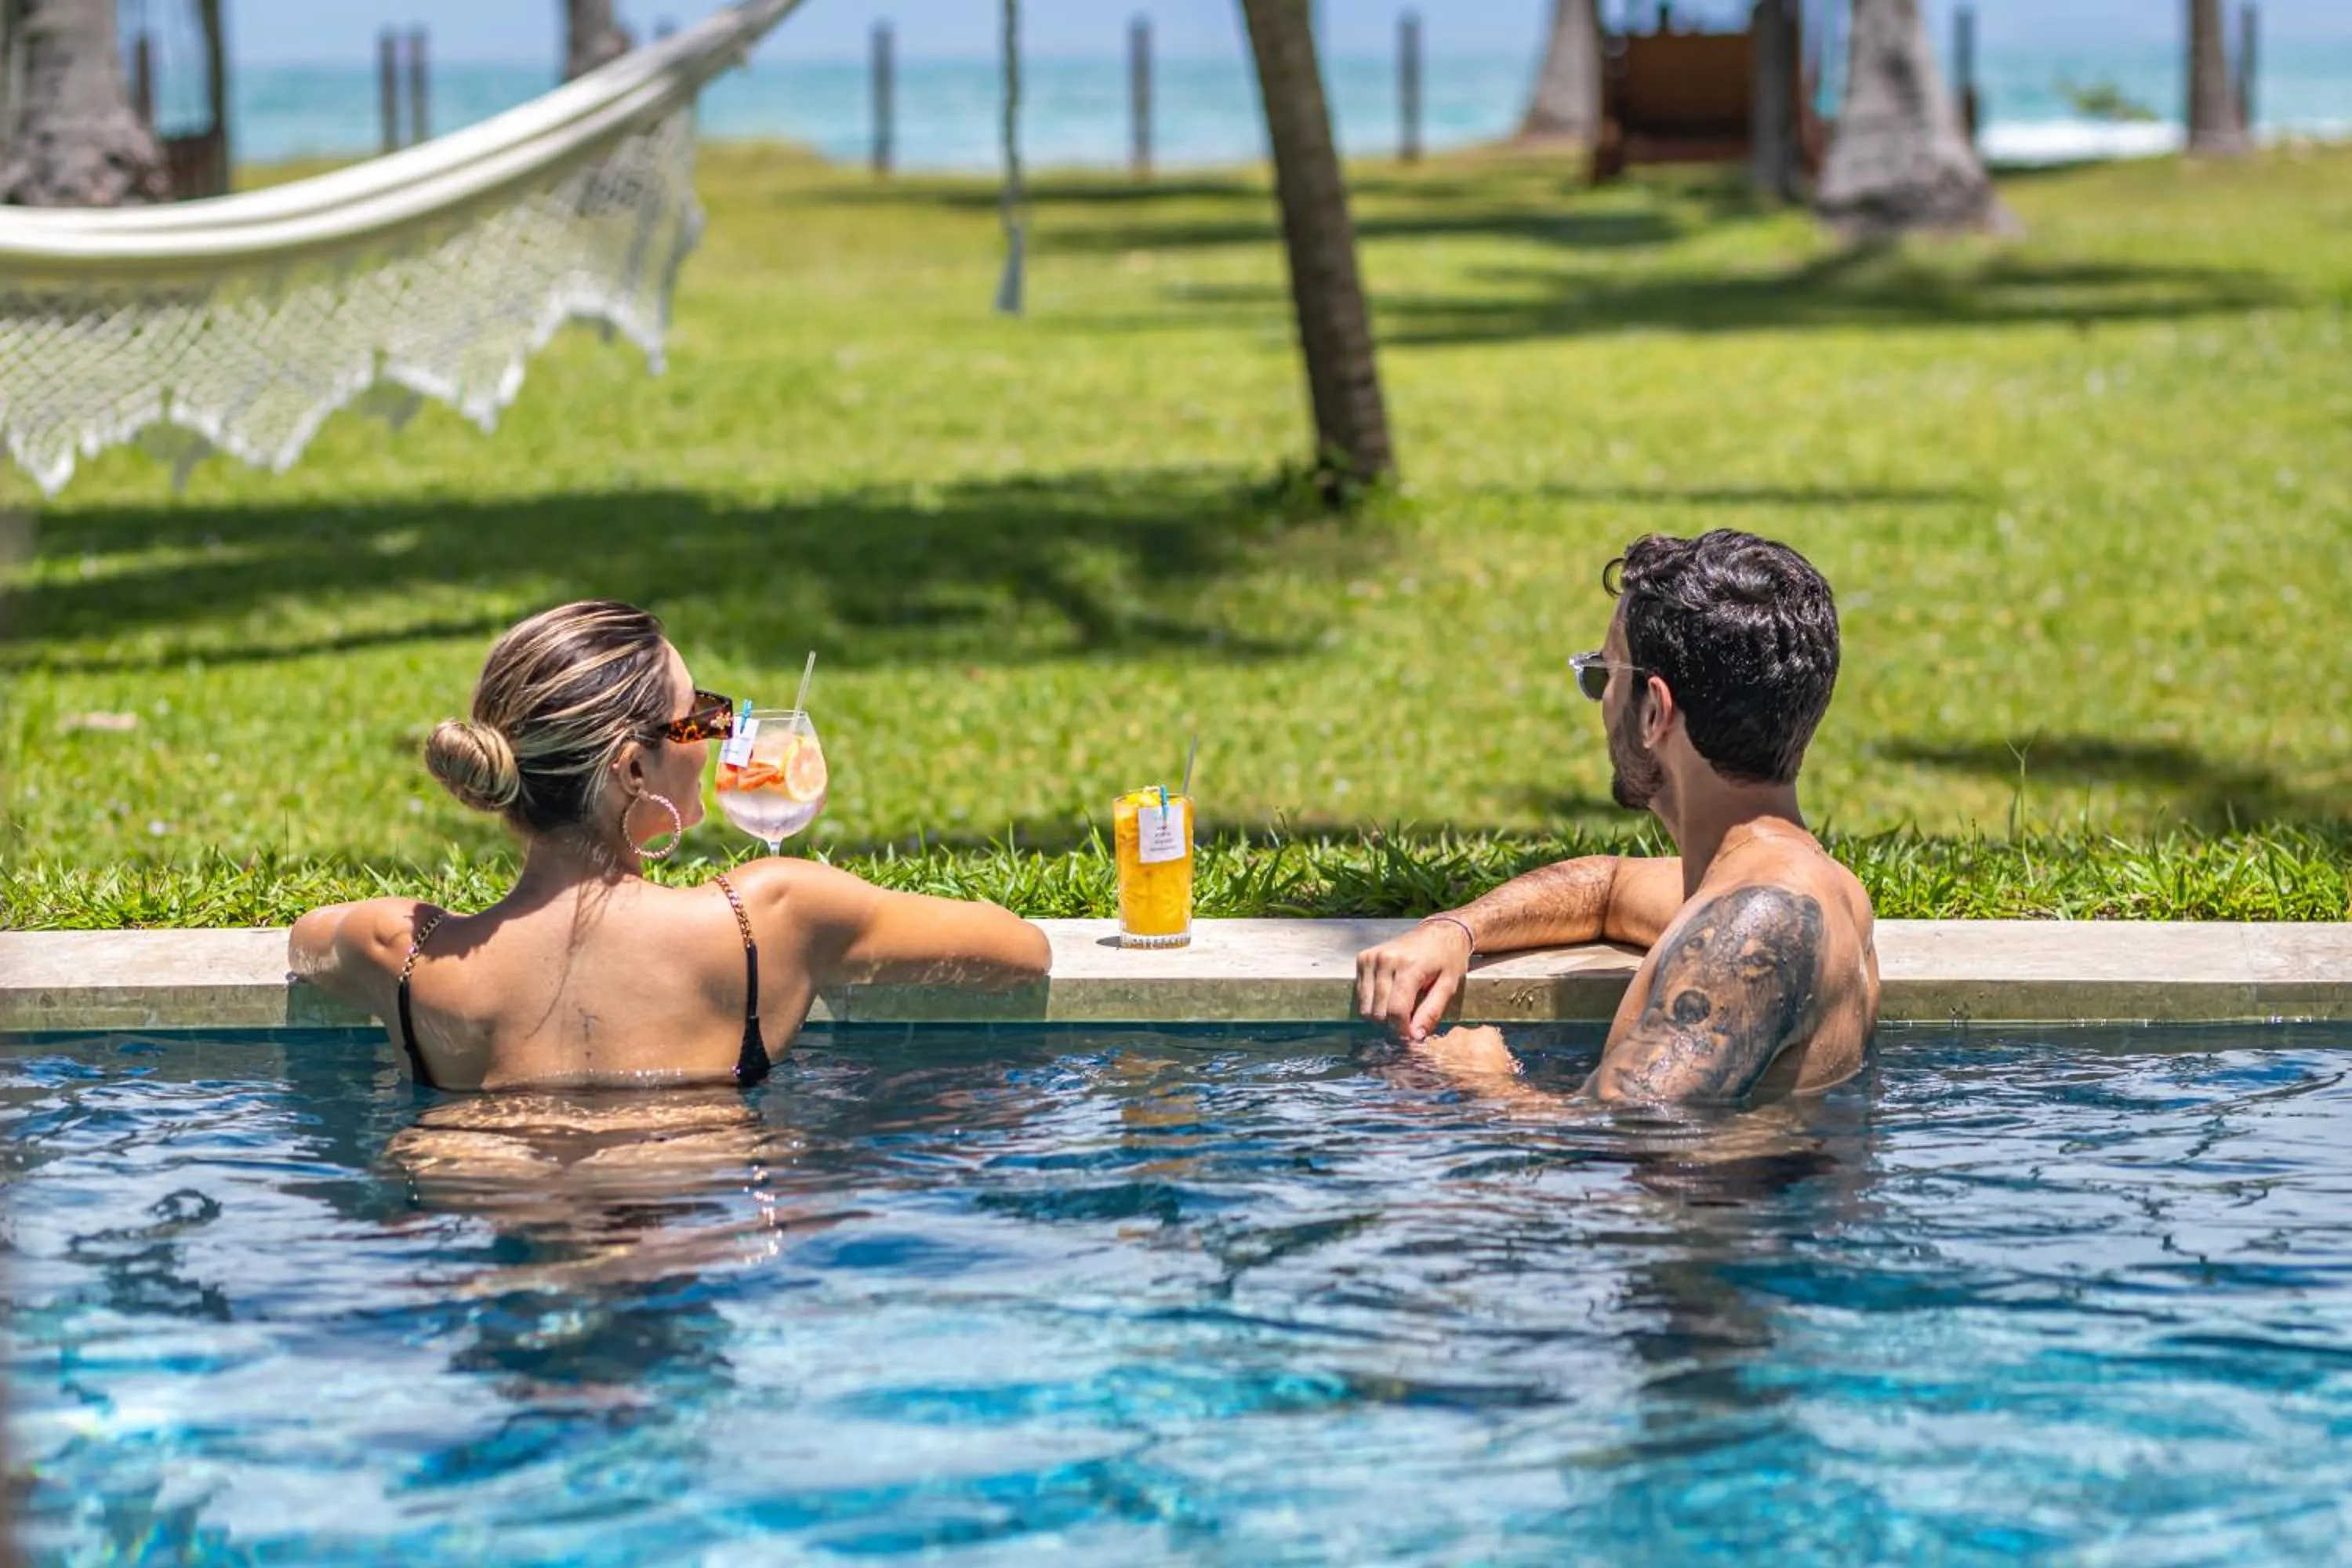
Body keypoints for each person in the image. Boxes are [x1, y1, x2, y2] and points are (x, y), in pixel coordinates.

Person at [289, 600, 1051, 1091]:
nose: (719, 732)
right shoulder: (774, 919)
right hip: (693, 1251)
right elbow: (1021, 950)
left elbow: (306, 940)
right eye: (698, 718)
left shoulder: (404, 954)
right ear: (633, 767)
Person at [1354, 529, 1877, 1105]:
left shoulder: (1757, 919)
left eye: (1605, 675)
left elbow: (1632, 1139)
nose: (1601, 703)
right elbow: (1608, 889)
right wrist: (1454, 930)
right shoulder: (1776, 884)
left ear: (1654, 712)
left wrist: (1479, 1077)